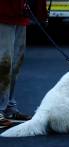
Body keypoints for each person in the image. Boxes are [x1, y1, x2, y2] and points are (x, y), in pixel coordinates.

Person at [0, 0, 47, 128]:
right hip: (3, 14)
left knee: (15, 65)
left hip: (20, 15)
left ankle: (9, 107)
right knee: (4, 64)